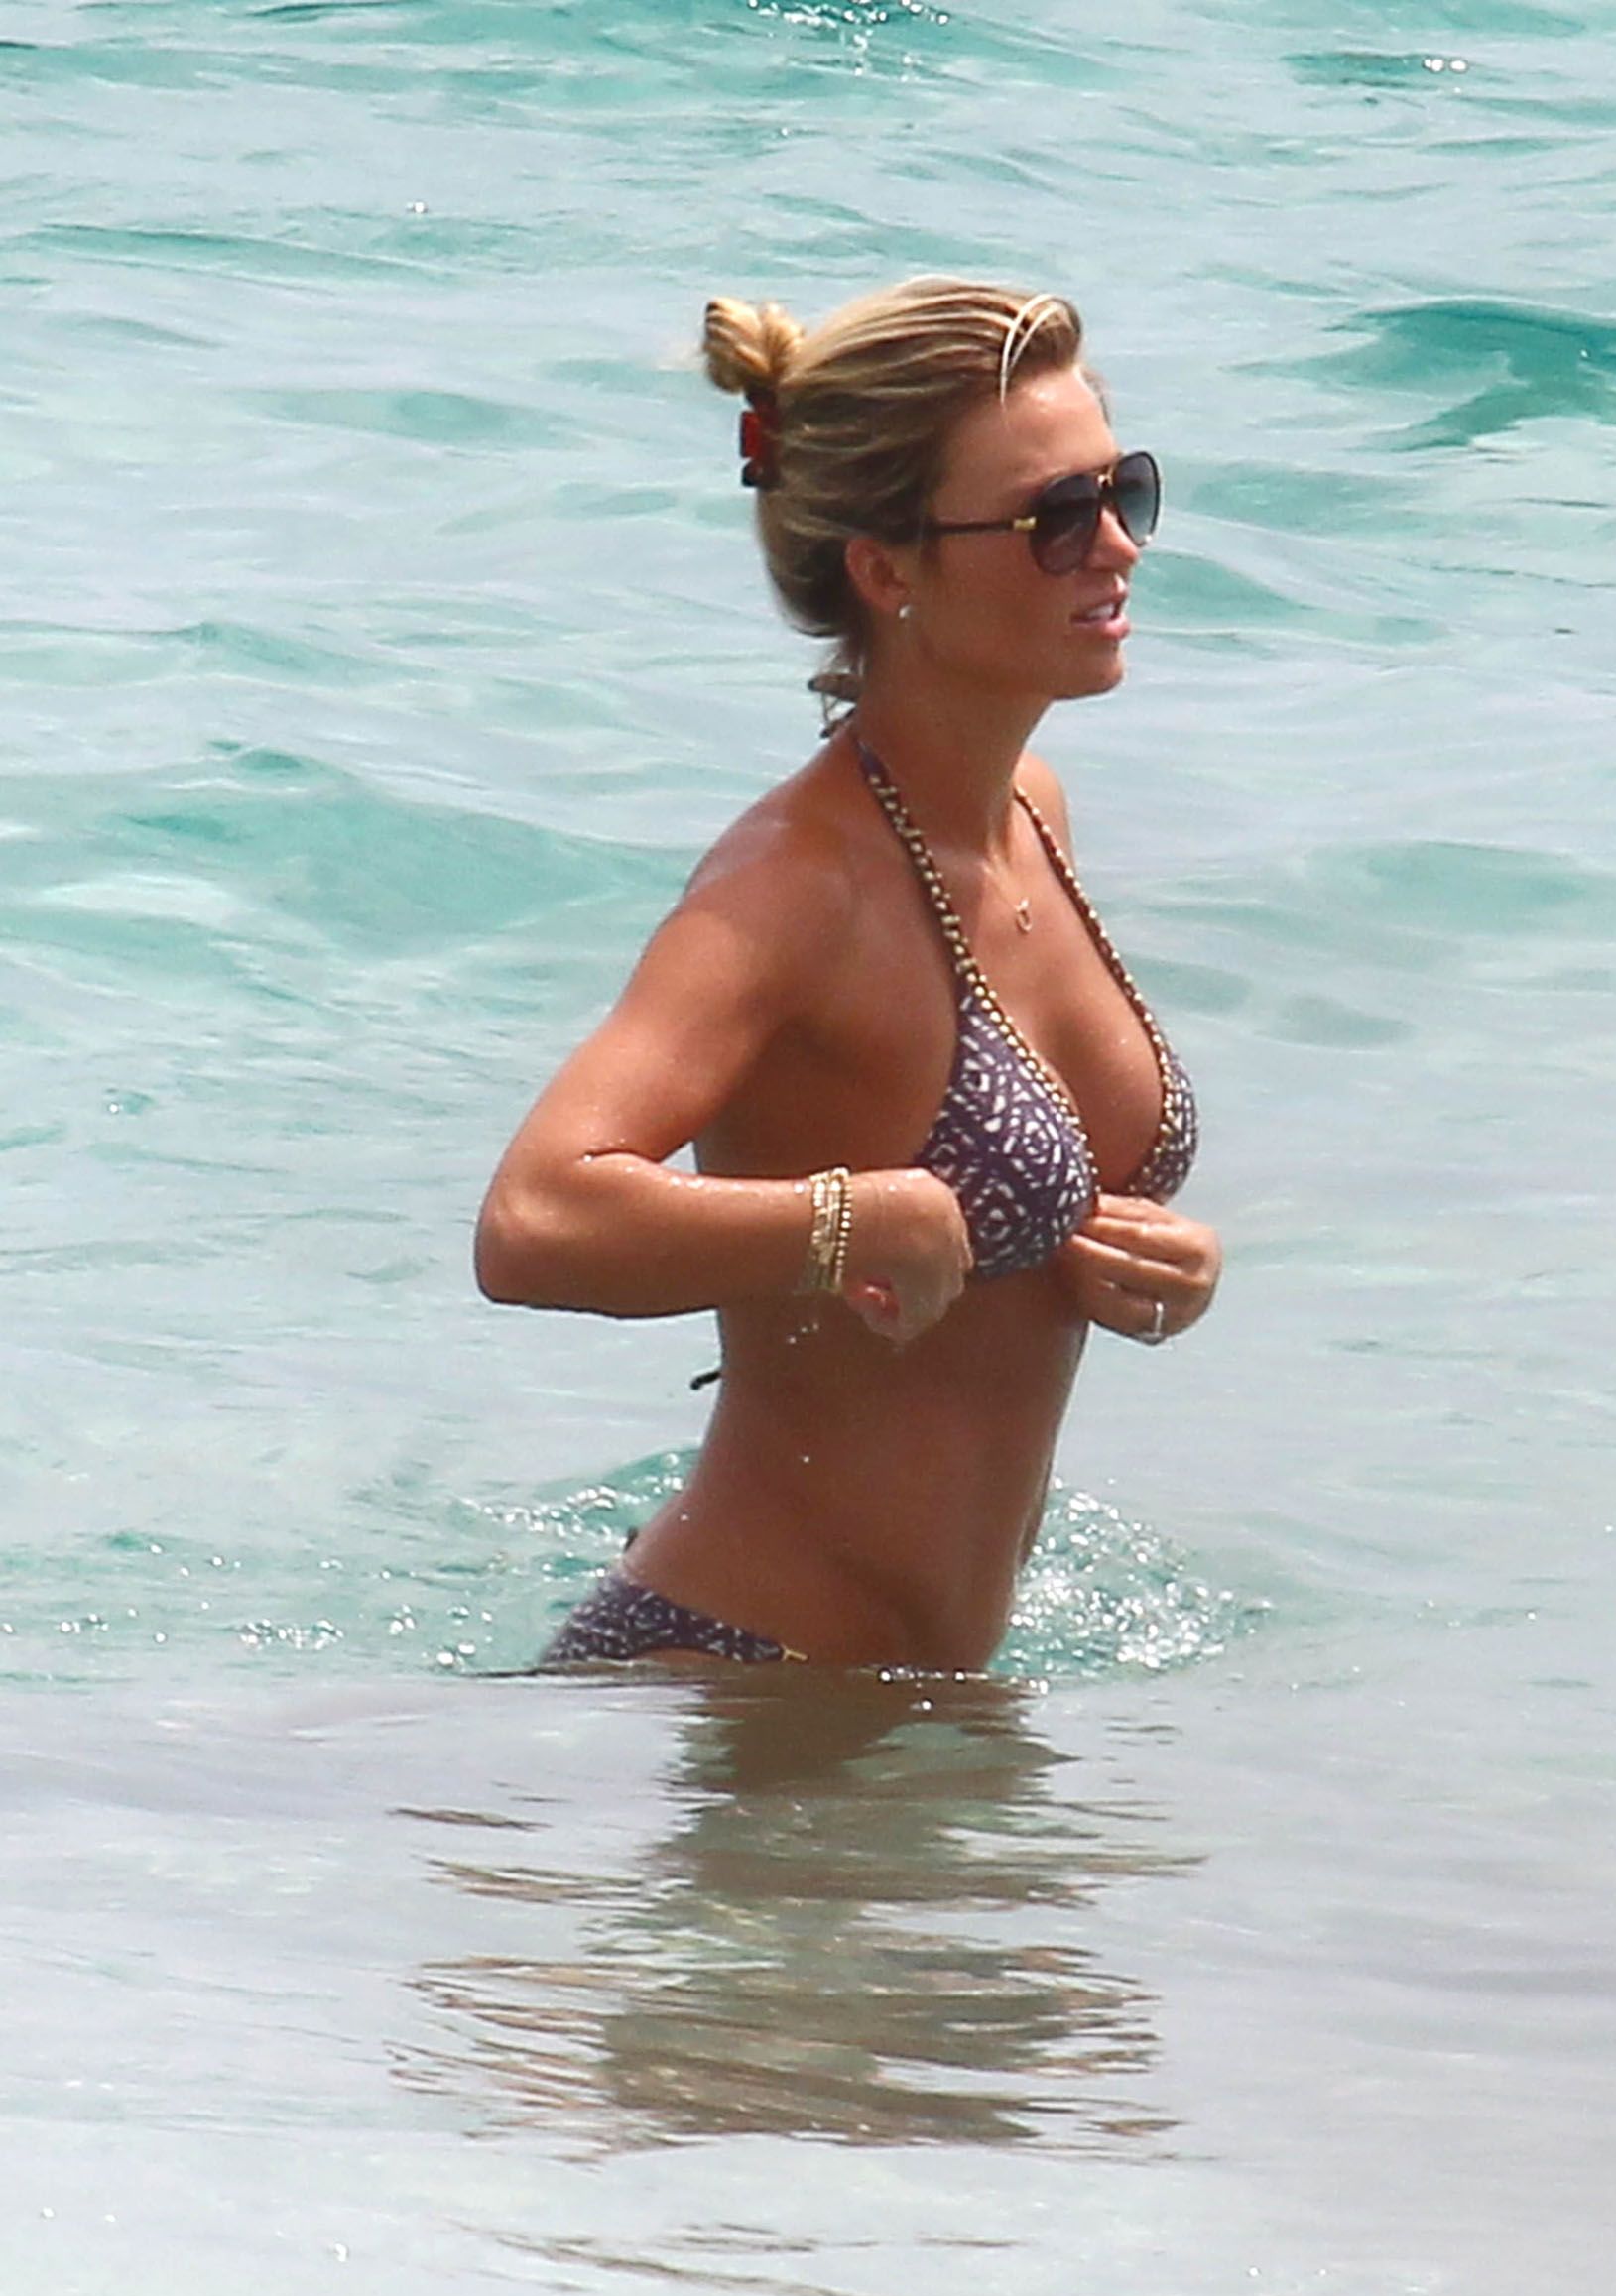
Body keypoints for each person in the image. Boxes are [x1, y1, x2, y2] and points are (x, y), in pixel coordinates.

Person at [476, 277, 1220, 1669]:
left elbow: (990, 1225)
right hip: (738, 1680)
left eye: (1124, 491)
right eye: (1055, 518)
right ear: (888, 572)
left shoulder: (1031, 815)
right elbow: (531, 1220)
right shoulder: (795, 889)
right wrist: (844, 1222)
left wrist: (1144, 1261)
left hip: (913, 1711)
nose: (1116, 544)